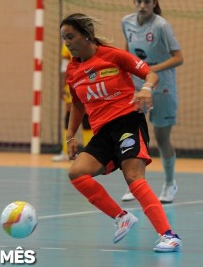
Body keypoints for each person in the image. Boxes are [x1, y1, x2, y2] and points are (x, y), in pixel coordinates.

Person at [60, 13, 182, 252]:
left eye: (71, 37)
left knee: (134, 177)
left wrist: (146, 89)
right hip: (103, 132)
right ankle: (122, 217)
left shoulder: (113, 56)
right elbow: (77, 104)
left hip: (127, 122)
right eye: (64, 38)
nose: (67, 42)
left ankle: (169, 235)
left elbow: (151, 74)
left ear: (86, 36)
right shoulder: (73, 70)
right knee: (77, 173)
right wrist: (70, 136)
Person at [121, 0, 184, 203]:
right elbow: (127, 53)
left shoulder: (161, 26)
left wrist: (150, 70)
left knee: (161, 137)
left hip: (163, 85)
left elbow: (178, 57)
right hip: (138, 86)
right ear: (134, 2)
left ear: (154, 3)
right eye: (139, 0)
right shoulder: (126, 22)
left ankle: (169, 183)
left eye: (147, 1)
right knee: (133, 134)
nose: (142, 5)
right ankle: (136, 183)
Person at [52, 44, 93, 162]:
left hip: (86, 82)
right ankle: (66, 151)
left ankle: (89, 152)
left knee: (86, 116)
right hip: (72, 83)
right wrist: (62, 86)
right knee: (69, 116)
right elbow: (64, 67)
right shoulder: (67, 45)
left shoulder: (90, 43)